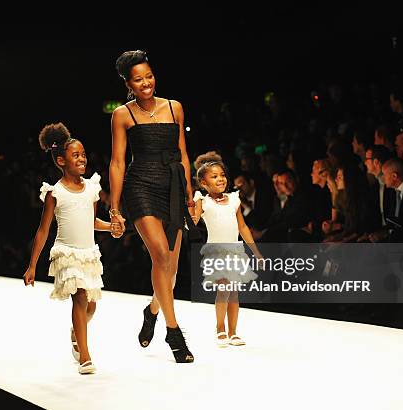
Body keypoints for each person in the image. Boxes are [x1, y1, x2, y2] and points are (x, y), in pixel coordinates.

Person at [109, 50, 198, 363]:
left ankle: (152, 310)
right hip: (140, 186)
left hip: (172, 187)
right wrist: (115, 206)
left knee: (170, 269)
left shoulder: (175, 107)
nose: (145, 83)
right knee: (160, 254)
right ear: (128, 83)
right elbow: (118, 161)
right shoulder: (123, 114)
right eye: (138, 79)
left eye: (149, 76)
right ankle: (174, 333)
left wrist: (190, 194)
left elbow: (183, 154)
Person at [23, 123, 117, 375]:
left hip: (88, 253)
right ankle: (85, 356)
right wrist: (32, 265)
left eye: (84, 154)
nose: (83, 158)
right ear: (61, 161)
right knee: (80, 298)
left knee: (91, 305)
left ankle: (76, 331)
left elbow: (92, 221)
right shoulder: (55, 193)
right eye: (76, 155)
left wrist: (111, 227)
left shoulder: (92, 189)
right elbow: (43, 230)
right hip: (67, 253)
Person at [191, 152, 262, 347]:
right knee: (223, 289)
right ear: (203, 184)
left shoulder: (234, 200)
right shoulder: (203, 201)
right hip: (216, 252)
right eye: (214, 176)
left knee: (234, 293)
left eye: (222, 175)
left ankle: (233, 332)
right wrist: (193, 203)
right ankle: (220, 328)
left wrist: (255, 252)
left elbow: (243, 227)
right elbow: (194, 220)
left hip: (235, 251)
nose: (220, 179)